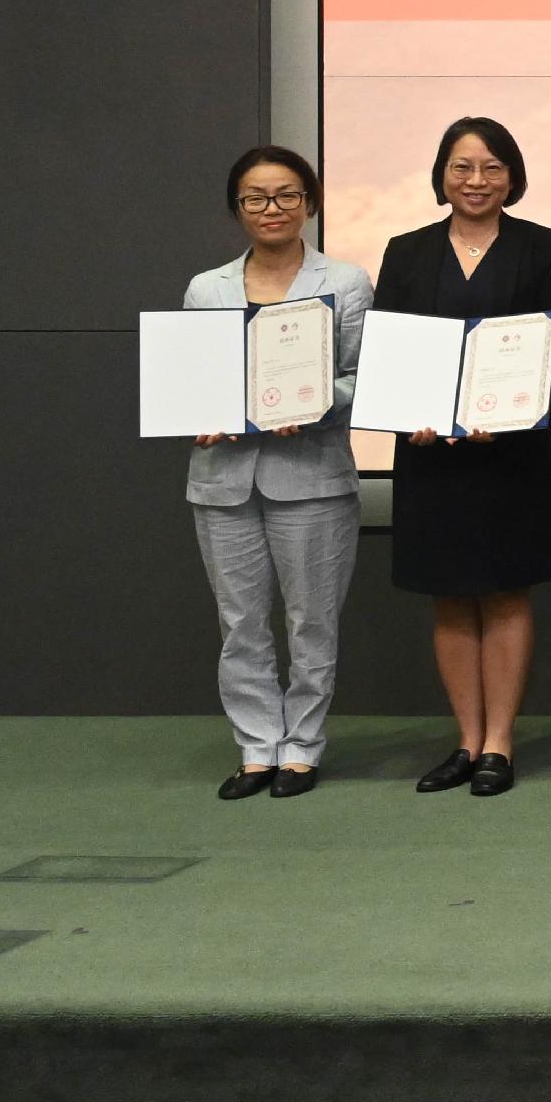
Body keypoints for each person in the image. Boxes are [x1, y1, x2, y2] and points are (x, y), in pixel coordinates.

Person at [372, 118, 551, 797]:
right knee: (451, 595)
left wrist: (507, 413)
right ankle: (465, 738)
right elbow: (390, 350)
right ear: (441, 176)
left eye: (491, 167)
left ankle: (500, 742)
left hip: (510, 452)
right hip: (431, 455)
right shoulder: (405, 251)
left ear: (512, 176)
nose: (476, 181)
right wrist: (412, 413)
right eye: (462, 167)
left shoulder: (540, 247)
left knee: (506, 588)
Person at [182, 146, 370, 799]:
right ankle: (257, 747)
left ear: (310, 202)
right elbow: (195, 379)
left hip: (311, 475)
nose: (273, 208)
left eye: (287, 194)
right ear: (238, 209)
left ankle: (302, 749)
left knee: (312, 621)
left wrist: (314, 398)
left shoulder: (344, 282)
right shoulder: (207, 288)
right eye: (257, 197)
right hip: (223, 479)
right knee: (240, 624)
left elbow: (360, 376)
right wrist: (198, 410)